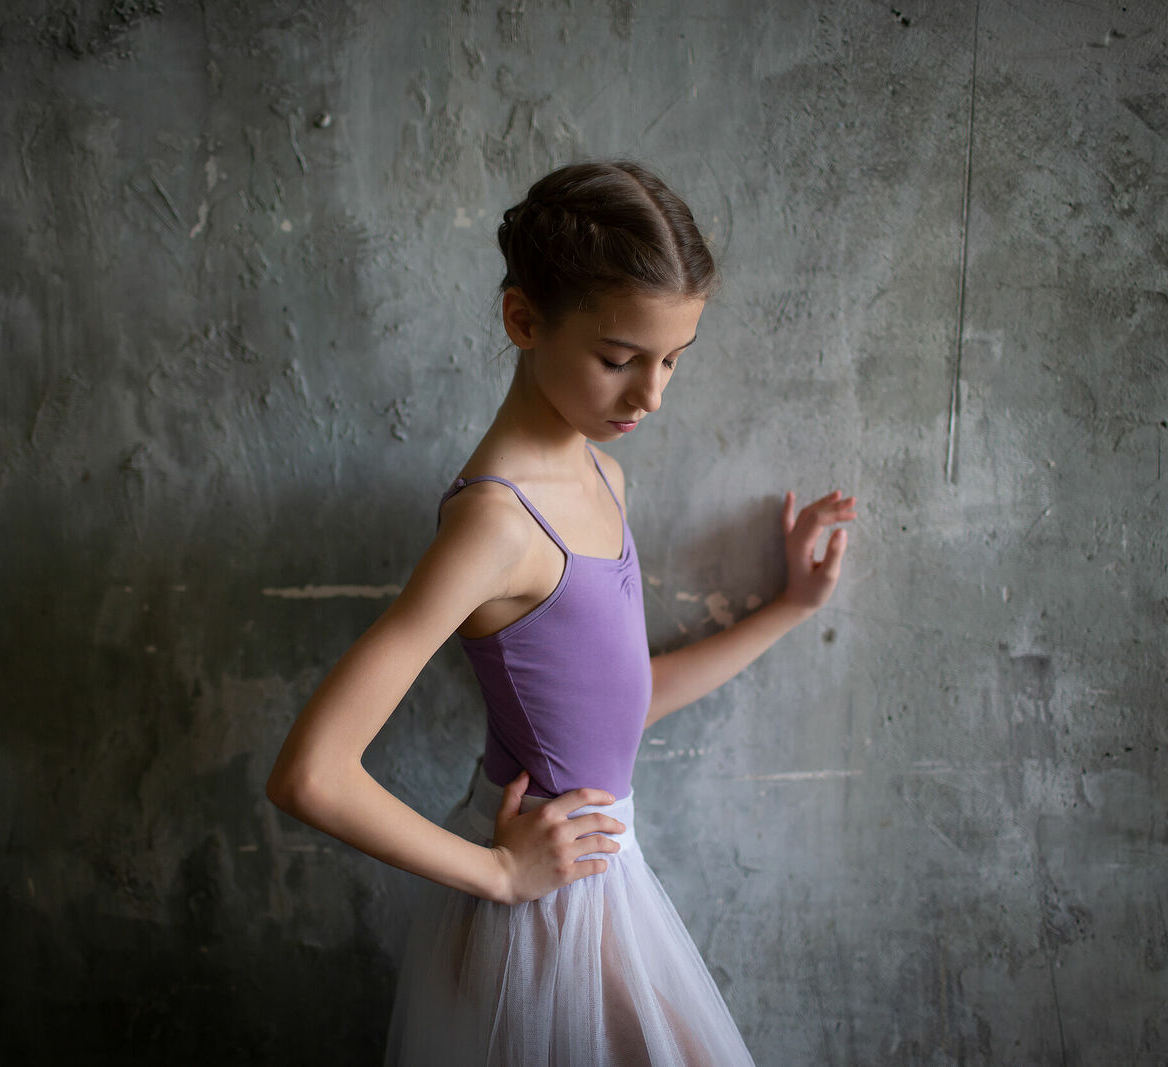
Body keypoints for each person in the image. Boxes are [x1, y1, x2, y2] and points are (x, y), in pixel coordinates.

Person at [265, 159, 857, 1065]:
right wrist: (501, 872)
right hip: (549, 912)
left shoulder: (603, 474)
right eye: (619, 360)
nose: (651, 394)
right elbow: (310, 773)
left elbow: (615, 707)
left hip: (602, 883)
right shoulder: (495, 526)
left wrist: (789, 606)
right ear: (523, 320)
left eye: (672, 359)